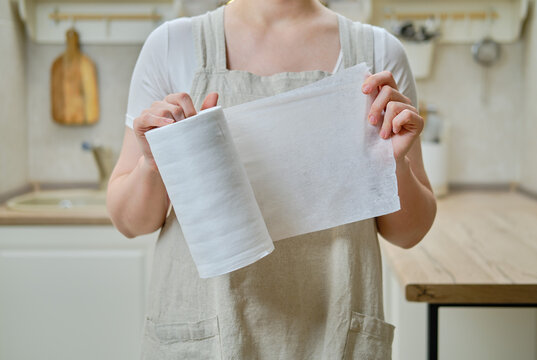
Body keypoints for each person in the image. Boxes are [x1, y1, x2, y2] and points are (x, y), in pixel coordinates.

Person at [107, 0, 437, 358]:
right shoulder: (173, 46)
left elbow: (408, 232)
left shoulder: (379, 52)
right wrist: (152, 163)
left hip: (335, 328)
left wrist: (395, 163)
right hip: (207, 331)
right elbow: (130, 222)